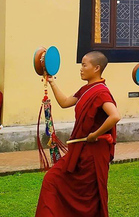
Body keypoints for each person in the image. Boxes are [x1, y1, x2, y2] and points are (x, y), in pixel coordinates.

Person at [35, 51, 120, 217]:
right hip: (80, 149)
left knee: (89, 195)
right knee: (52, 179)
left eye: (84, 65)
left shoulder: (101, 92)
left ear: (96, 68)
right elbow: (65, 102)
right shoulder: (86, 89)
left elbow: (115, 116)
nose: (81, 69)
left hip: (93, 152)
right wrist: (52, 82)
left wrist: (95, 134)